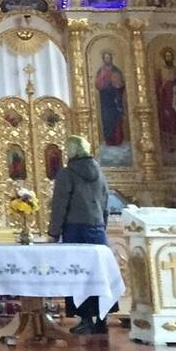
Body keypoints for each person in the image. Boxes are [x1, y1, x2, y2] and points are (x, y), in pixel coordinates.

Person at [48, 135, 112, 335]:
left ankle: (85, 318)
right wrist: (102, 224)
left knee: (78, 273)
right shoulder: (99, 172)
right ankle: (102, 319)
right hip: (97, 228)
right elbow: (105, 201)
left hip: (75, 228)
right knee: (99, 273)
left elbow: (60, 204)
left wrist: (54, 232)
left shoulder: (67, 173)